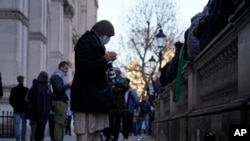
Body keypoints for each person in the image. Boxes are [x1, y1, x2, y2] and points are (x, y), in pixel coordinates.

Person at [71, 20, 117, 141]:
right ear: (102, 33)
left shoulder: (96, 43)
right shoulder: (85, 42)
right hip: (85, 96)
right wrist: (104, 59)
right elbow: (83, 65)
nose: (108, 39)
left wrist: (107, 61)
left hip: (94, 96)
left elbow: (96, 67)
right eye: (108, 36)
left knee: (95, 133)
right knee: (85, 133)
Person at [103, 67, 130, 141]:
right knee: (110, 122)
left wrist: (117, 83)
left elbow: (126, 87)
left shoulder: (122, 79)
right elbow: (109, 89)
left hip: (120, 106)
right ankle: (110, 135)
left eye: (116, 71)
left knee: (118, 122)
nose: (115, 73)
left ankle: (115, 136)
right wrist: (118, 89)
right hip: (111, 104)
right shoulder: (108, 79)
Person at [28, 71, 52, 141]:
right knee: (41, 129)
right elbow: (51, 97)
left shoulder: (35, 85)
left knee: (37, 128)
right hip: (45, 111)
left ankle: (36, 138)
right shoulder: (47, 87)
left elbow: (30, 96)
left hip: (36, 111)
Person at [50, 61, 71, 141]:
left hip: (62, 102)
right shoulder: (56, 76)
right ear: (61, 67)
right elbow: (59, 88)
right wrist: (68, 85)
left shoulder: (61, 76)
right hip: (59, 102)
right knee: (59, 123)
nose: (67, 70)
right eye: (66, 68)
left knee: (62, 123)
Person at [9, 75, 29, 141]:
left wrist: (14, 106)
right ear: (23, 80)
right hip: (24, 109)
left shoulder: (14, 90)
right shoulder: (26, 89)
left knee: (16, 124)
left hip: (16, 109)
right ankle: (23, 137)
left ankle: (17, 137)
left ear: (17, 80)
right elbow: (28, 100)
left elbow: (10, 100)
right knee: (24, 124)